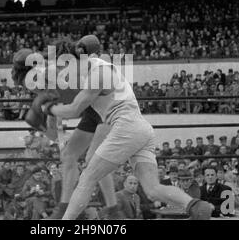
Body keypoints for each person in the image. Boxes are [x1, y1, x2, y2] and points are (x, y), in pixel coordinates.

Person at [25, 43, 214, 220]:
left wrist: (47, 108)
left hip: (125, 127)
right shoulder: (96, 67)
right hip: (141, 129)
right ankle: (196, 206)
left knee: (87, 177)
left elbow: (74, 109)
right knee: (153, 189)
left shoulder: (97, 74)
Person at [11, 37, 121, 219]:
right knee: (69, 155)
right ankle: (64, 209)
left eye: (31, 83)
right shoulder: (49, 82)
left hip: (110, 104)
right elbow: (57, 126)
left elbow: (73, 109)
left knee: (93, 157)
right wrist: (46, 125)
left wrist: (47, 115)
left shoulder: (55, 72)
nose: (33, 90)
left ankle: (113, 210)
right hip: (93, 109)